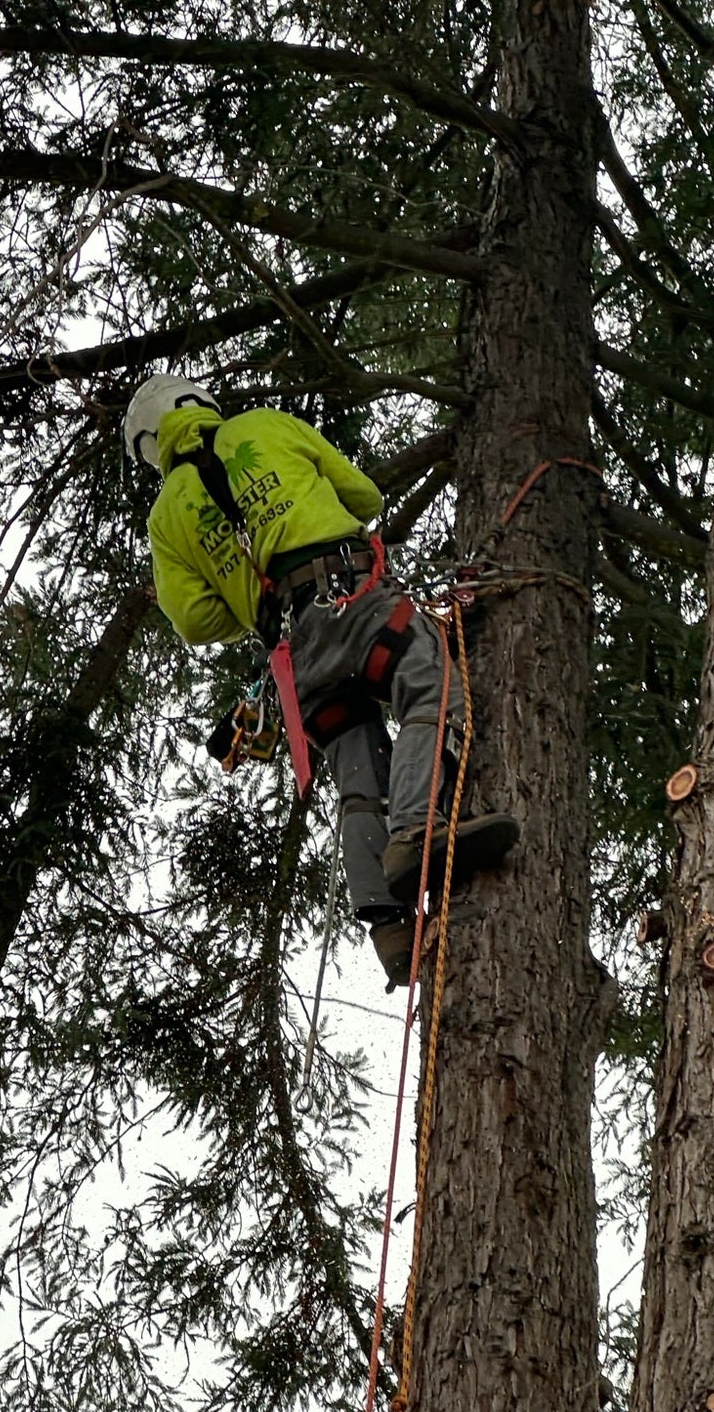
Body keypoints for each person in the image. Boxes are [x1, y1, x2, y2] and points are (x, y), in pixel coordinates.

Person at [123, 374, 518, 988]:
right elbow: (362, 496)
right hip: (350, 597)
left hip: (293, 649)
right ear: (200, 402)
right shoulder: (261, 424)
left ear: (152, 447)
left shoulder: (166, 516)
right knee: (428, 683)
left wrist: (253, 597)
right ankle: (417, 830)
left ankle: (389, 925)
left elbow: (196, 620)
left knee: (356, 767)